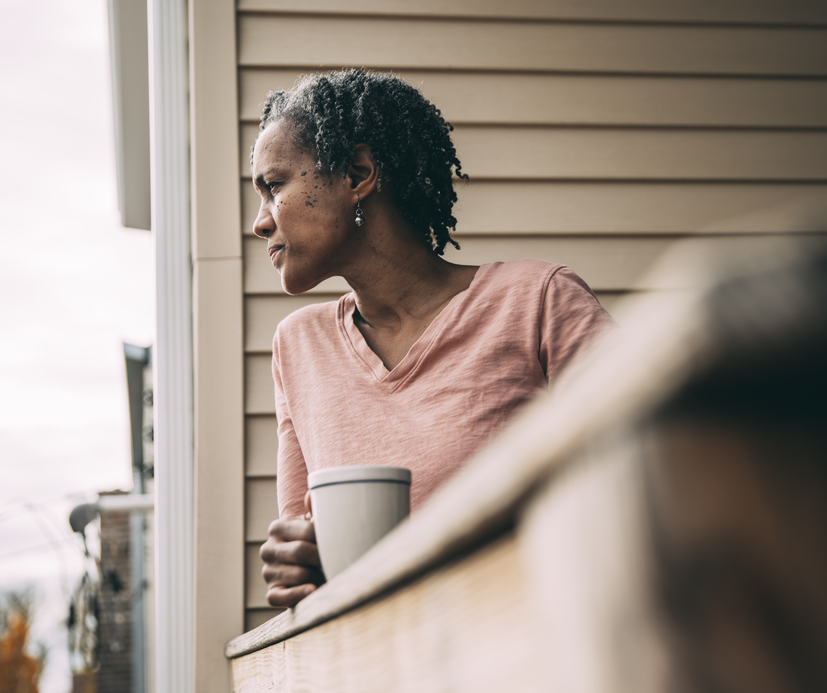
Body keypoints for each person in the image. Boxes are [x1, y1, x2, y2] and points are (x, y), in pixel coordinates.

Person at [251, 69, 616, 607]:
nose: (261, 222)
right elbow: (307, 550)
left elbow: (651, 478)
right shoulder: (298, 346)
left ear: (358, 173)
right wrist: (298, 563)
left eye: (274, 186)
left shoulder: (538, 302)